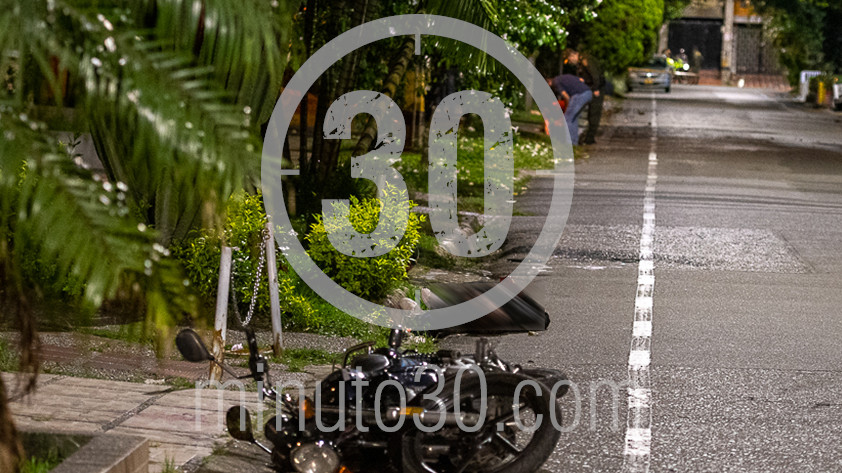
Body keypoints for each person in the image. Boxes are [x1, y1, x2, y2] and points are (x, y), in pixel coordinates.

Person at [565, 49, 606, 145]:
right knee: (587, 112)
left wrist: (596, 89)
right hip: (590, 87)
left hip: (596, 88)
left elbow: (595, 76)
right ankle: (585, 137)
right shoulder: (581, 62)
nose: (570, 63)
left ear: (572, 56)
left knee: (594, 113)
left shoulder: (585, 60)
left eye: (569, 60)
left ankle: (590, 138)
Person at [547, 73, 592, 145]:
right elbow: (581, 80)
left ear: (549, 82)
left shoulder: (555, 82)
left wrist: (567, 108)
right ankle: (574, 142)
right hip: (588, 93)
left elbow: (566, 97)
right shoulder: (564, 77)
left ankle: (569, 143)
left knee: (568, 119)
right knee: (573, 119)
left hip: (579, 95)